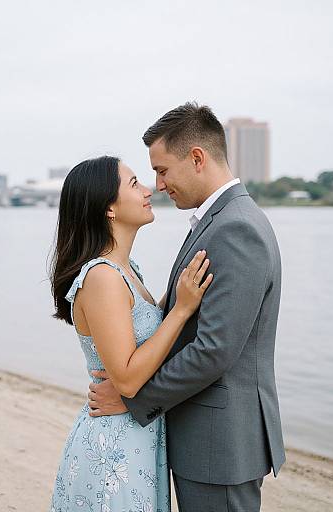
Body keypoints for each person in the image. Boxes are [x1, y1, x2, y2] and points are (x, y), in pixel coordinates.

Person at [88, 102, 286, 512]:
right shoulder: (219, 219)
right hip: (206, 438)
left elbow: (213, 350)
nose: (158, 185)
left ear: (197, 158)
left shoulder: (235, 228)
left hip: (221, 444)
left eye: (162, 170)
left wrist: (130, 400)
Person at [49, 155, 213, 511]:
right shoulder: (103, 278)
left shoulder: (127, 270)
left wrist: (175, 296)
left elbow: (145, 332)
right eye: (135, 183)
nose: (149, 189)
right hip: (113, 449)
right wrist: (182, 309)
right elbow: (126, 378)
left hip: (134, 437)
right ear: (109, 207)